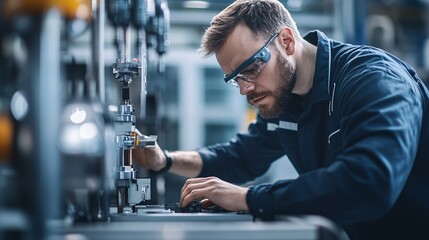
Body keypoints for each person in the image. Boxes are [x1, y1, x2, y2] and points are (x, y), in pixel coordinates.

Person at [136, 0, 429, 239]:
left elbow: (369, 183)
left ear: (287, 41)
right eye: (235, 78)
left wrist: (249, 198)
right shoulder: (286, 100)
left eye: (250, 69)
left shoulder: (372, 80)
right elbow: (241, 156)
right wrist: (165, 161)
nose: (244, 89)